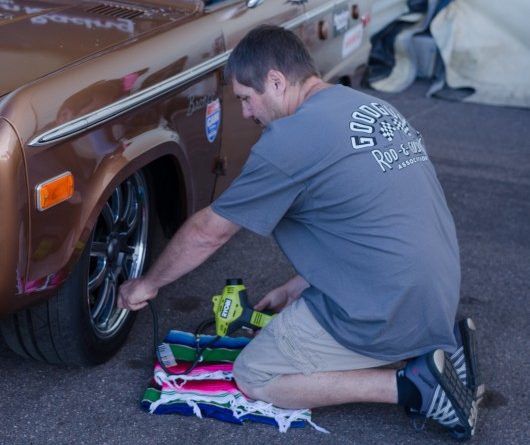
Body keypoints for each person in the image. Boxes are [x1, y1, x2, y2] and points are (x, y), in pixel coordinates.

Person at [118, 25, 481, 440]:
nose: (246, 113)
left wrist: (145, 284)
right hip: (436, 289)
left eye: (245, 98)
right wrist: (299, 286)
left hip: (389, 306)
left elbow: (209, 232)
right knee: (300, 314)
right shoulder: (367, 106)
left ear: (275, 80)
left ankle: (414, 383)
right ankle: (440, 345)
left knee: (256, 375)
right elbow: (369, 219)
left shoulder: (290, 139)